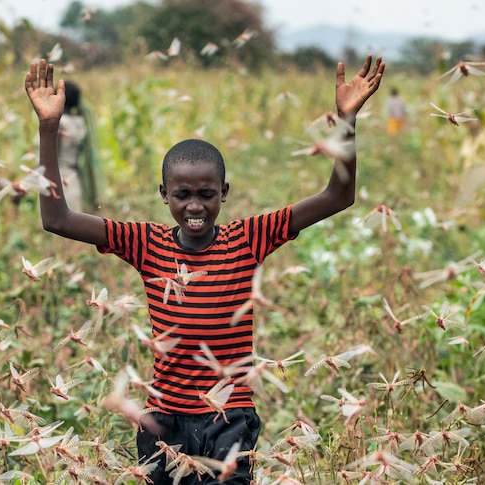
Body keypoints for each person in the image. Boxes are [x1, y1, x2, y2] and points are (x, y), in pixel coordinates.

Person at [25, 55, 385, 484]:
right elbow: (57, 219)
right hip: (164, 422)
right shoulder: (145, 243)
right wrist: (49, 128)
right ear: (164, 194)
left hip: (229, 418)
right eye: (182, 195)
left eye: (206, 194)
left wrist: (347, 121)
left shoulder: (250, 238)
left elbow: (338, 196)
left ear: (224, 193)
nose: (195, 206)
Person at [58, 80, 102, 212]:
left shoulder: (58, 124)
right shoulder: (80, 122)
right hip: (73, 179)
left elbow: (50, 157)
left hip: (58, 179)